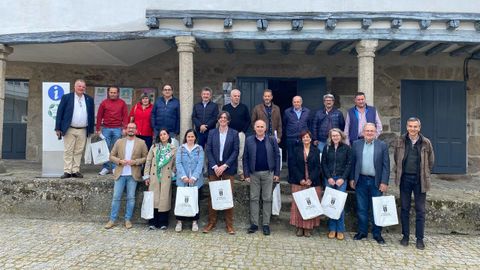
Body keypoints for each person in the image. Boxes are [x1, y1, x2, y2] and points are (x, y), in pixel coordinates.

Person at [393, 117, 434, 250]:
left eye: (415, 126)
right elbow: (396, 158)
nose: (413, 129)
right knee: (404, 208)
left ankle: (419, 238)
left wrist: (424, 173)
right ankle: (405, 236)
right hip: (404, 179)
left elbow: (431, 161)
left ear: (419, 128)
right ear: (407, 127)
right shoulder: (400, 140)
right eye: (410, 126)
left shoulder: (426, 142)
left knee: (420, 210)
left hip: (419, 180)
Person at [350, 123, 390, 244]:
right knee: (362, 208)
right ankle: (362, 232)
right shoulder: (356, 144)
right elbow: (353, 163)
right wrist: (352, 178)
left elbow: (386, 166)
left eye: (372, 131)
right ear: (363, 132)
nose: (369, 133)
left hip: (376, 181)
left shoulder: (382, 145)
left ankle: (377, 234)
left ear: (375, 132)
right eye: (367, 130)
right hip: (360, 180)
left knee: (376, 209)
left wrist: (384, 182)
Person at [104, 123, 148, 229]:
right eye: (129, 128)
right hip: (120, 173)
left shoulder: (141, 143)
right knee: (116, 197)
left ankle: (127, 220)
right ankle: (112, 220)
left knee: (131, 198)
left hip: (133, 174)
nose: (131, 130)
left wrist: (135, 162)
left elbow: (146, 157)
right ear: (125, 130)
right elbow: (111, 156)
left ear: (136, 130)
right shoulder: (119, 142)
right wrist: (119, 161)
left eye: (133, 128)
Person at [203, 111, 239, 234]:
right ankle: (211, 223)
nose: (223, 119)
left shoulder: (234, 133)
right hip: (214, 169)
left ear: (228, 120)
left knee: (228, 197)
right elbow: (208, 150)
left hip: (228, 169)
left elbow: (235, 151)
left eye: (225, 118)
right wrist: (214, 166)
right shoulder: (212, 133)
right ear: (218, 120)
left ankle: (229, 225)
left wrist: (224, 166)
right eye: (221, 117)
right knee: (213, 196)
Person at [243, 120, 280, 236]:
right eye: (258, 126)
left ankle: (265, 224)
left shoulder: (272, 140)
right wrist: (246, 174)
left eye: (262, 127)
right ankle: (254, 224)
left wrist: (277, 173)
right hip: (254, 174)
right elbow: (245, 158)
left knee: (267, 198)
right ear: (254, 128)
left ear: (265, 128)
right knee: (254, 198)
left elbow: (277, 157)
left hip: (268, 173)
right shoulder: (249, 140)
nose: (259, 128)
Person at [55, 79, 95, 178]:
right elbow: (59, 113)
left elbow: (91, 115)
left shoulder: (89, 99)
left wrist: (90, 129)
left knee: (79, 150)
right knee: (68, 150)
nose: (81, 88)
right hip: (69, 128)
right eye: (79, 86)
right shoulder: (67, 97)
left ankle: (75, 170)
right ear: (75, 87)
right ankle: (67, 171)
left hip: (83, 129)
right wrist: (58, 128)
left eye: (83, 87)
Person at [289, 131, 322, 237]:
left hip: (312, 181)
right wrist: (300, 179)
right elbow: (293, 165)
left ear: (311, 139)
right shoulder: (296, 150)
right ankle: (299, 227)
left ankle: (308, 228)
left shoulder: (316, 151)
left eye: (307, 137)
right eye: (304, 137)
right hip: (299, 181)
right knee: (299, 204)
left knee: (310, 204)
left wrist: (311, 179)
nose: (306, 139)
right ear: (301, 139)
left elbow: (318, 167)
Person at [321, 128, 352, 241]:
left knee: (339, 205)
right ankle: (332, 229)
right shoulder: (327, 147)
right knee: (330, 204)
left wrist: (342, 178)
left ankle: (340, 229)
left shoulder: (346, 148)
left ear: (341, 136)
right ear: (330, 137)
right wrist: (328, 177)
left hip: (341, 180)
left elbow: (349, 165)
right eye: (333, 136)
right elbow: (323, 163)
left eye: (337, 135)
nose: (335, 137)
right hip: (329, 179)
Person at [143, 128, 177, 230]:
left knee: (164, 199)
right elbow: (148, 161)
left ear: (168, 136)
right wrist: (146, 176)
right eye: (161, 134)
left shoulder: (173, 148)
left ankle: (163, 222)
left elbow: (175, 163)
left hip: (166, 177)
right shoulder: (154, 147)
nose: (163, 136)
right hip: (154, 176)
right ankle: (152, 222)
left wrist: (172, 172)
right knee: (154, 199)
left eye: (165, 134)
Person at [174, 129, 205, 232]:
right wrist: (183, 177)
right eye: (188, 137)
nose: (190, 138)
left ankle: (194, 221)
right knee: (181, 200)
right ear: (185, 138)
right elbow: (178, 163)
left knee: (195, 200)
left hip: (195, 181)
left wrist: (194, 177)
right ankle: (179, 221)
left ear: (195, 137)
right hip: (183, 180)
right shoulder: (181, 149)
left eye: (192, 136)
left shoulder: (199, 149)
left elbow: (200, 164)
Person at [96, 86, 129, 175]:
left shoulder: (122, 103)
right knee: (105, 148)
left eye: (115, 92)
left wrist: (125, 128)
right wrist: (98, 128)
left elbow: (125, 116)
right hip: (106, 128)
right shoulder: (104, 103)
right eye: (111, 92)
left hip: (118, 129)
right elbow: (99, 116)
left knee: (116, 149)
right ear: (108, 93)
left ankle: (115, 167)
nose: (113, 94)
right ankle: (106, 167)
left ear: (118, 93)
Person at [222, 89, 250, 179]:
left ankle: (240, 172)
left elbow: (248, 120)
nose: (237, 97)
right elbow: (223, 119)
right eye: (235, 96)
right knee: (228, 152)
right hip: (228, 133)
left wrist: (243, 131)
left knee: (240, 153)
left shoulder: (244, 107)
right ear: (231, 96)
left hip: (240, 134)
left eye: (238, 96)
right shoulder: (226, 108)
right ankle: (228, 171)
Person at [283, 96, 311, 182]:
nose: (296, 103)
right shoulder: (287, 112)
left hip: (303, 138)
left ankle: (301, 177)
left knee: (302, 158)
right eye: (295, 102)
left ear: (301, 102)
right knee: (291, 158)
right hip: (291, 138)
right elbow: (285, 123)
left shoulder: (307, 111)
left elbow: (309, 124)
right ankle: (291, 177)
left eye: (298, 102)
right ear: (292, 102)